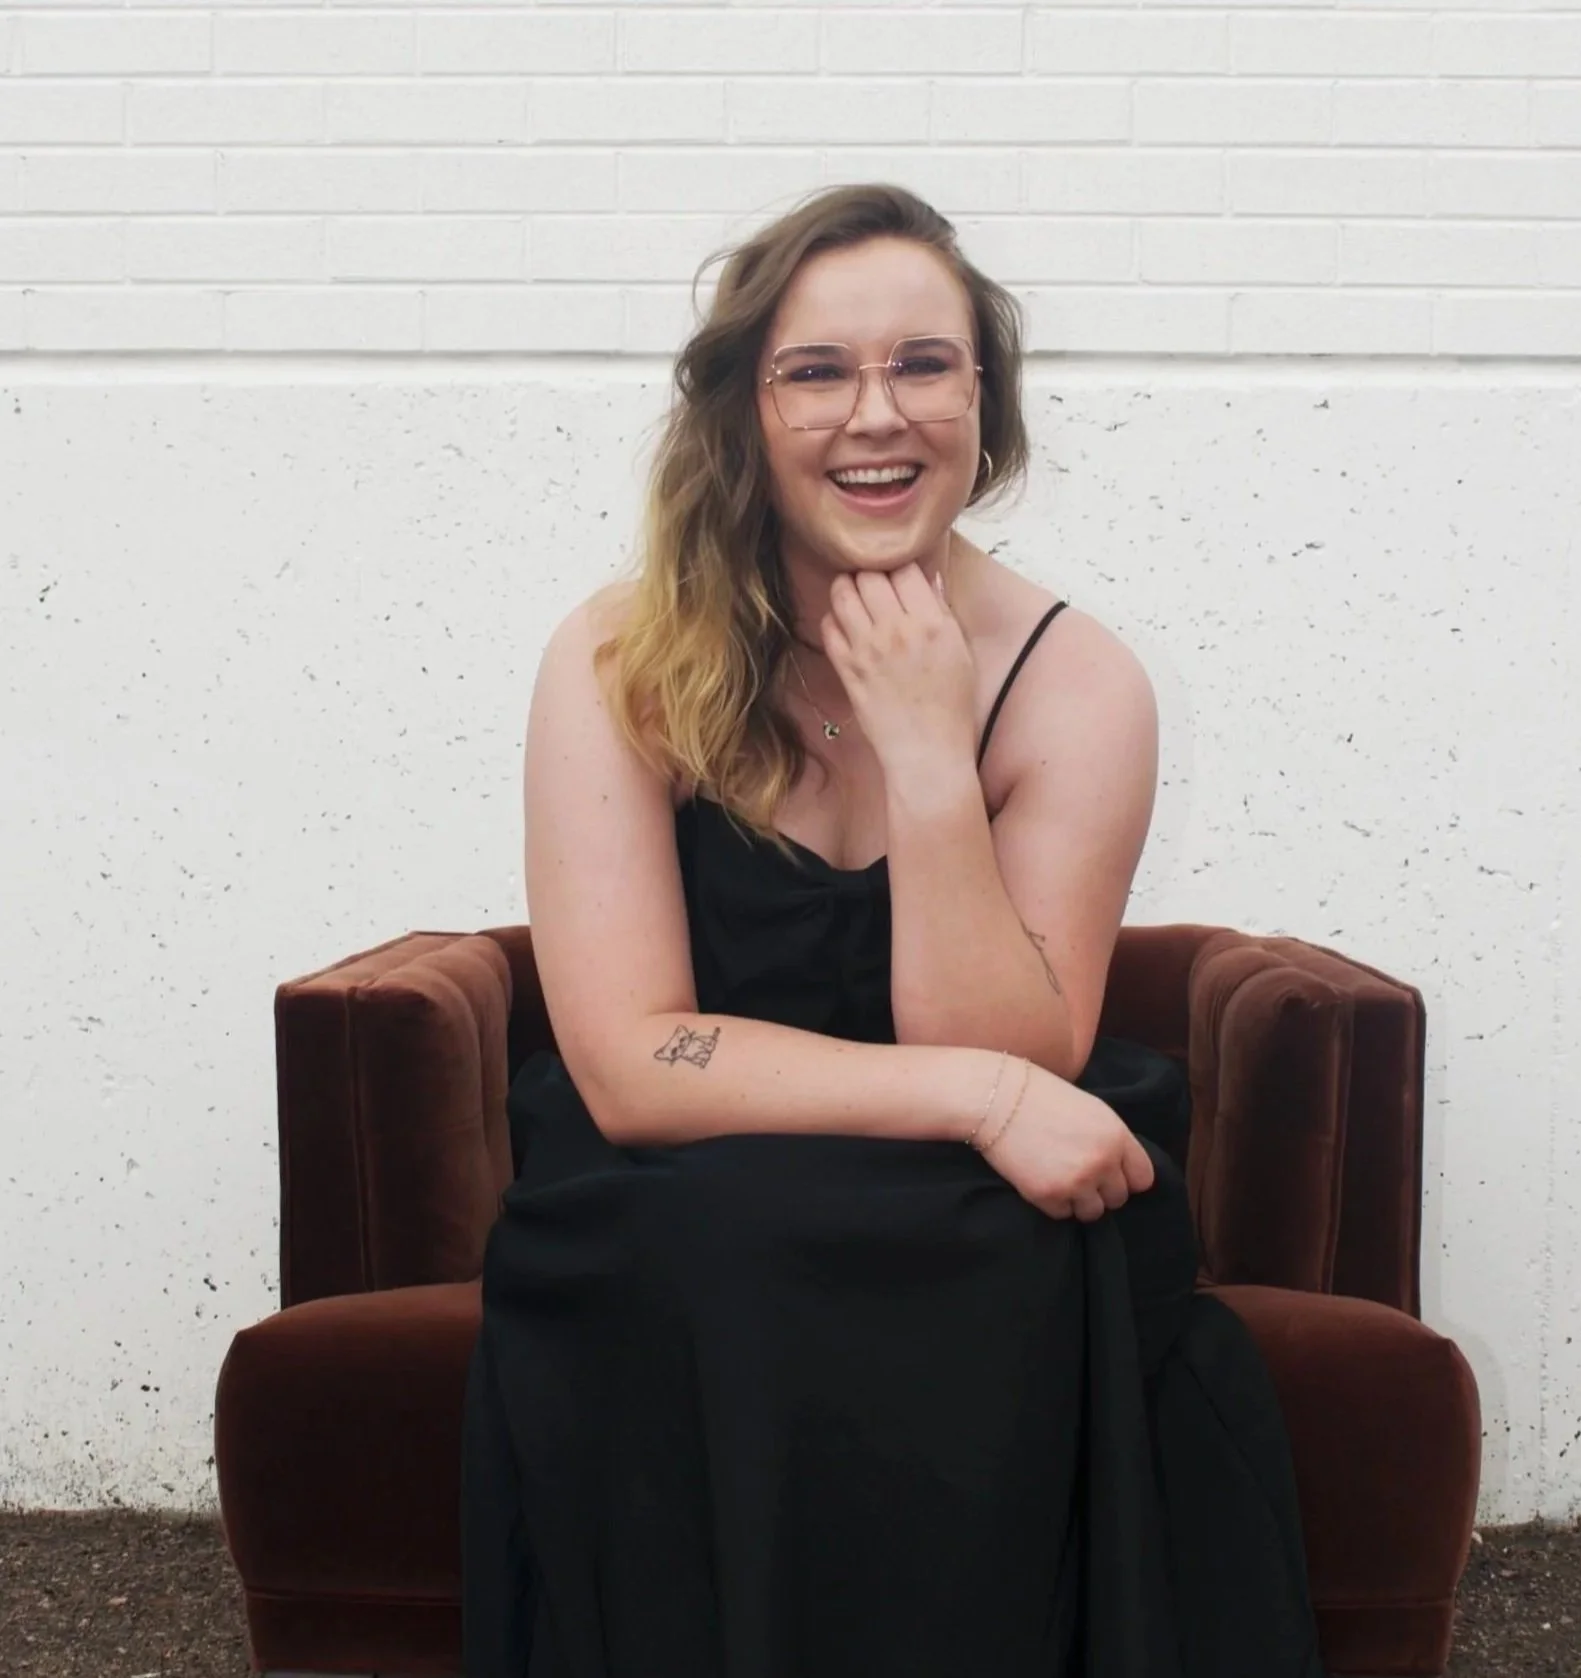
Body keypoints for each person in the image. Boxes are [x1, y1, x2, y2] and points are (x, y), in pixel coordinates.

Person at [461, 184, 1325, 1678]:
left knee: (1021, 1247)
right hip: (691, 1170)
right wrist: (983, 1100)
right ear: (744, 410)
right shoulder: (617, 655)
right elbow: (631, 1066)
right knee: (720, 1238)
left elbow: (1016, 1045)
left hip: (969, 1194)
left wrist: (930, 760)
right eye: (817, 372)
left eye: (924, 364)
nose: (878, 415)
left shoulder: (1077, 684)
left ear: (984, 399)